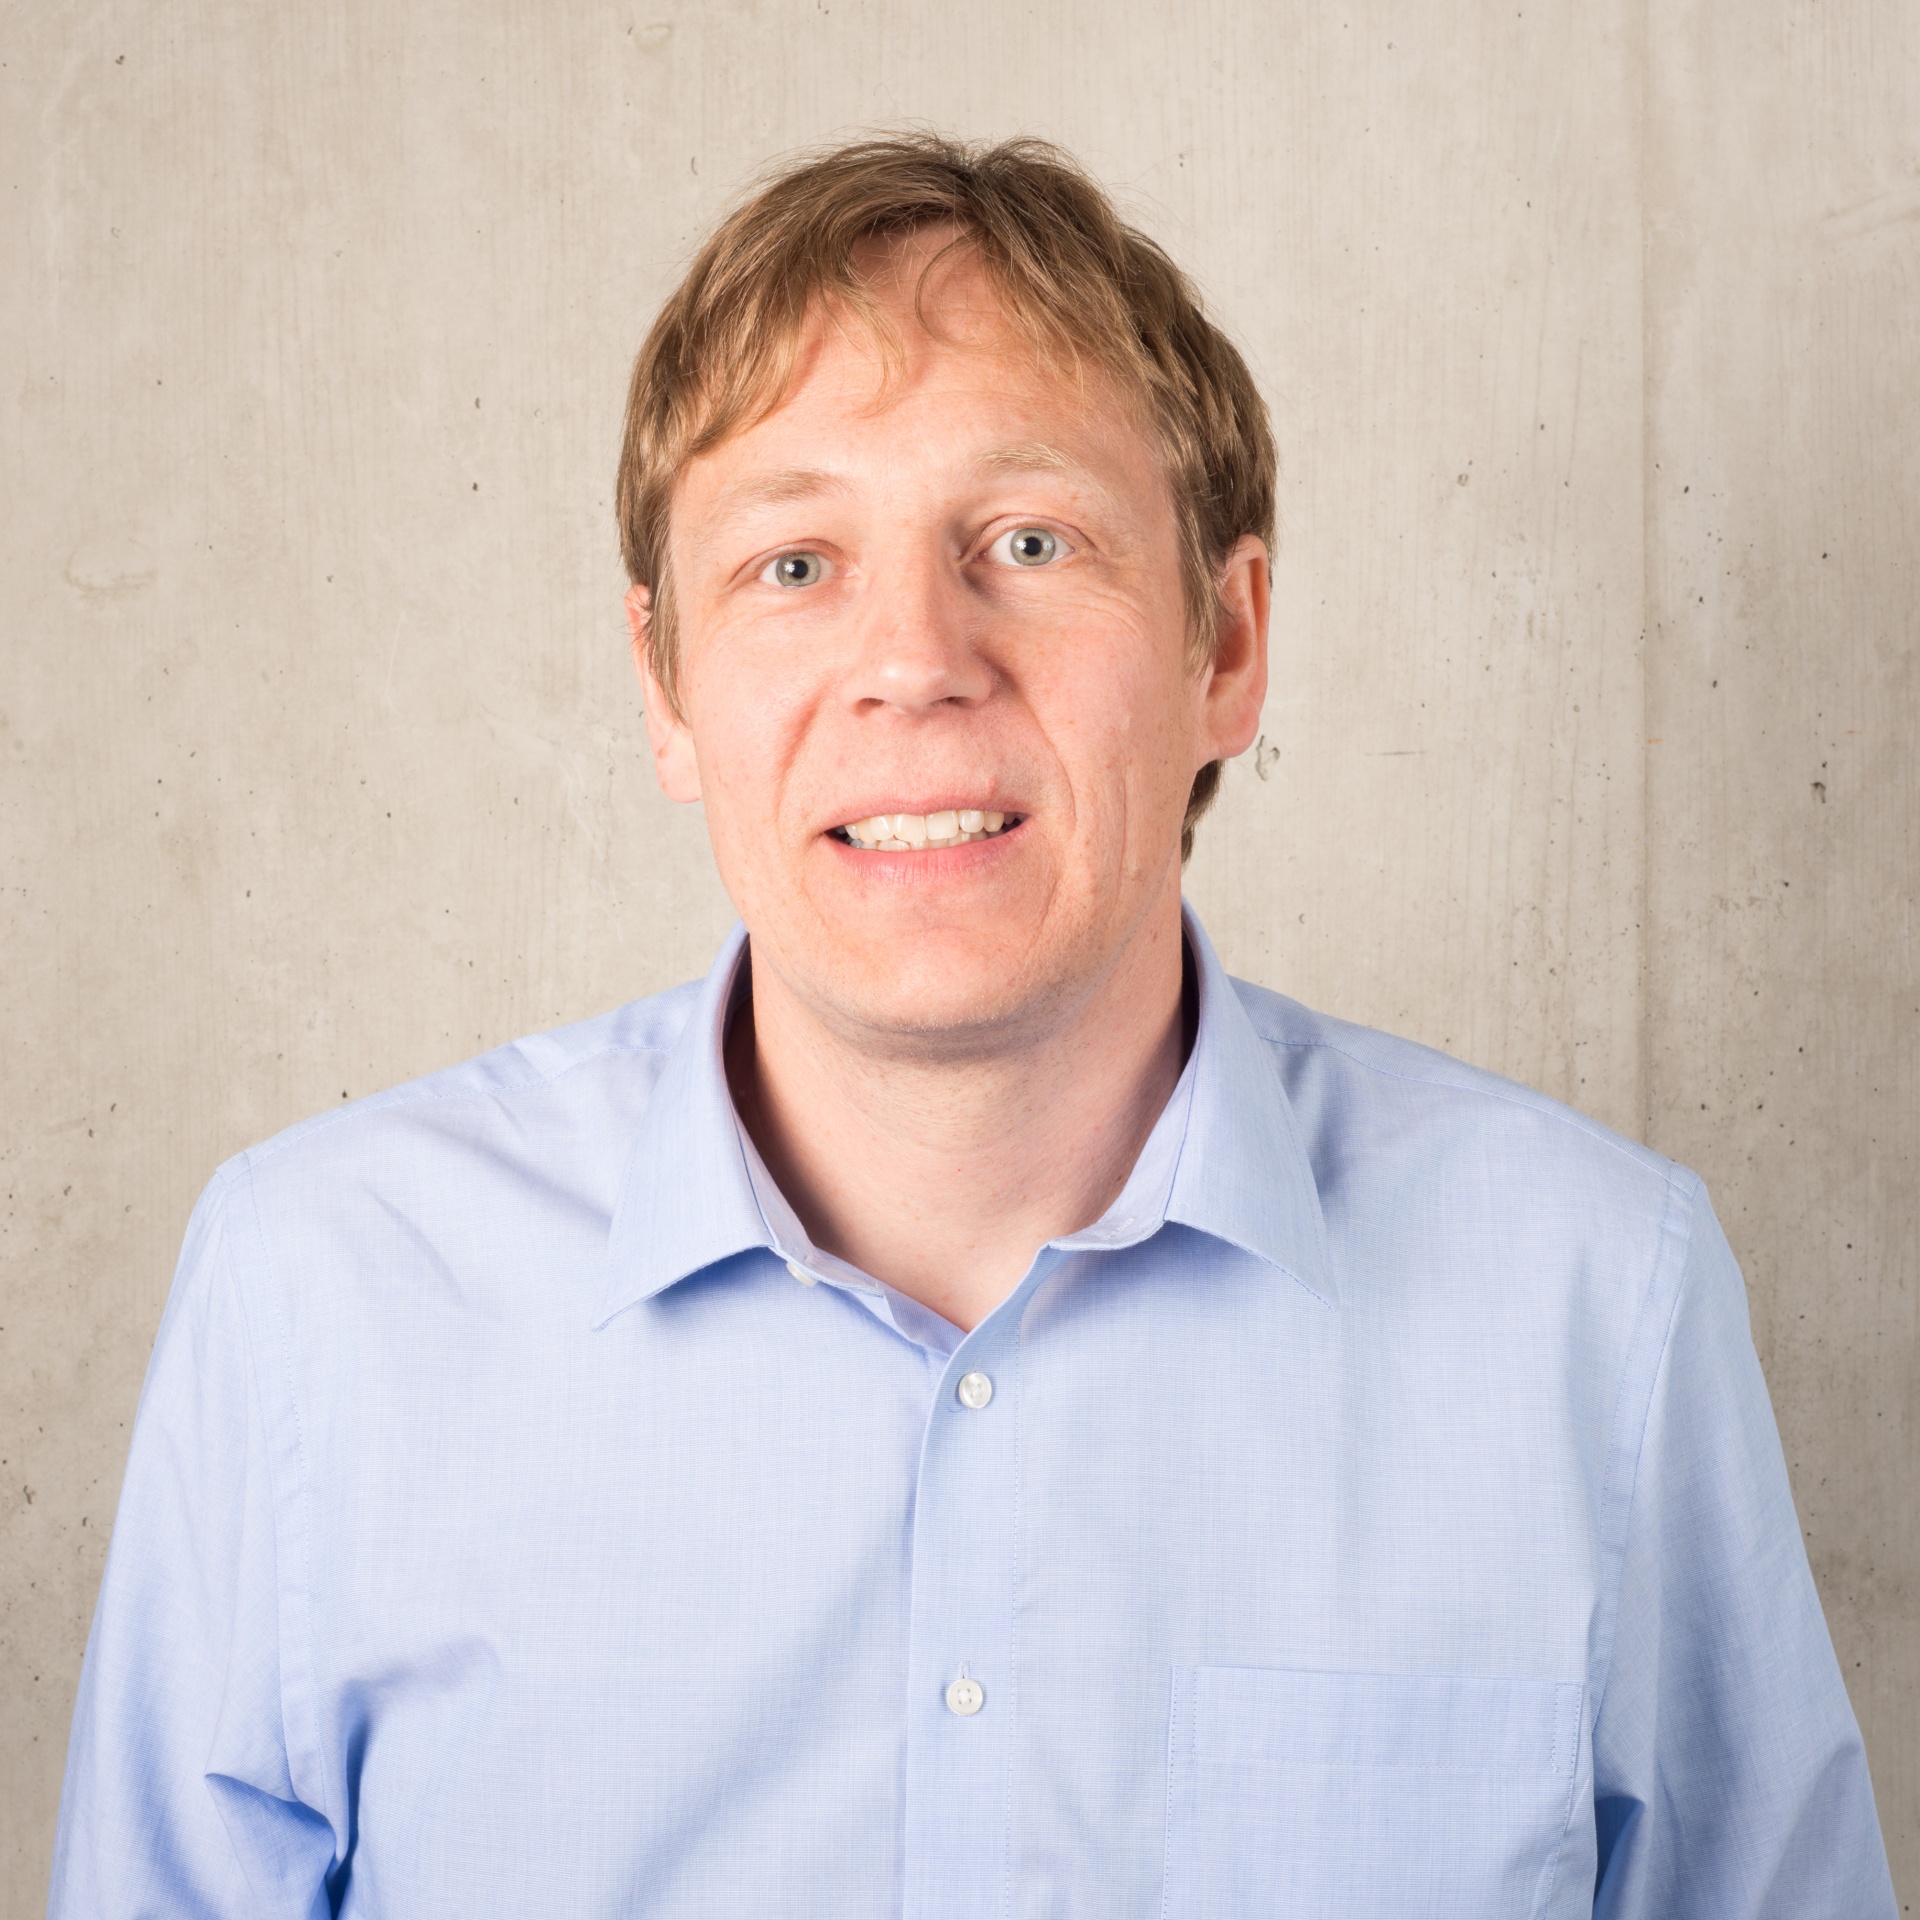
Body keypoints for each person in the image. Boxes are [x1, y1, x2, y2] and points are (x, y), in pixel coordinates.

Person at [50, 134, 1895, 1919]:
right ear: (664, 687)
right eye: (794, 564)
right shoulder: (319, 1305)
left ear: (1227, 646)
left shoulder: (1597, 1303)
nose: (916, 660)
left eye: (1028, 539)